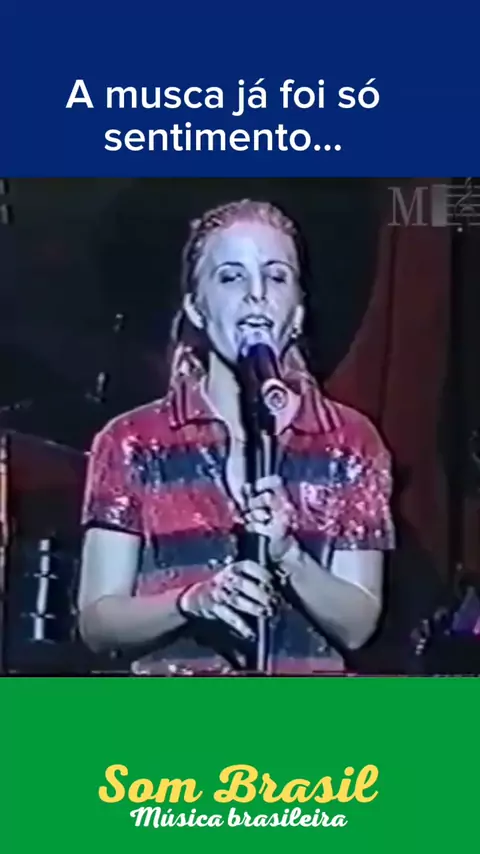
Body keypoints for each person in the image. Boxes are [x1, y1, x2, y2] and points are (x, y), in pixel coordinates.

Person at [77, 199, 395, 676]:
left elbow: (358, 624)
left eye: (277, 276)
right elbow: (99, 623)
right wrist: (191, 601)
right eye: (231, 277)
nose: (256, 294)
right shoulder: (132, 441)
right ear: (197, 309)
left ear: (298, 312)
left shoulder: (348, 442)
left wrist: (289, 554)